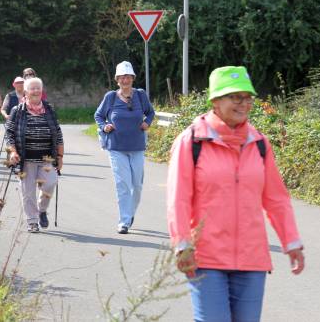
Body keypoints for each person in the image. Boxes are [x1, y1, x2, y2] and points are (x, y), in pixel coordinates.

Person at [167, 66, 304, 322]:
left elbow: (276, 198)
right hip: (205, 257)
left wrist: (291, 242)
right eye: (236, 97)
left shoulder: (259, 144)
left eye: (248, 97)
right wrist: (182, 243)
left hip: (252, 259)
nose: (244, 104)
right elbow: (178, 199)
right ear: (216, 101)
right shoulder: (192, 142)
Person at [94, 61, 155, 234]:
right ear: (117, 80)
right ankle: (124, 221)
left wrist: (146, 122)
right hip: (116, 147)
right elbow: (98, 115)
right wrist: (104, 126)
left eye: (128, 76)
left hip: (137, 147)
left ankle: (130, 213)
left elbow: (150, 112)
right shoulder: (111, 97)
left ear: (133, 78)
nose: (125, 80)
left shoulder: (141, 95)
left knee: (137, 185)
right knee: (123, 184)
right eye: (122, 77)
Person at [5, 77, 64, 233]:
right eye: (32, 88)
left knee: (50, 183)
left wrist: (60, 157)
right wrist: (13, 152)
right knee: (27, 191)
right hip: (26, 159)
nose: (36, 91)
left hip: (47, 158)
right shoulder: (17, 111)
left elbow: (58, 134)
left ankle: (42, 209)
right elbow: (9, 134)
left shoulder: (49, 109)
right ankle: (32, 221)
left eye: (38, 88)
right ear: (26, 92)